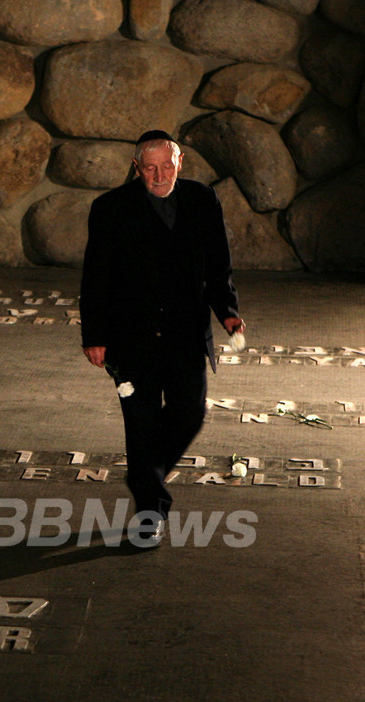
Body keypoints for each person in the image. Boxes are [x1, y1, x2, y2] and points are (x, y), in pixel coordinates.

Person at [79, 129, 245, 547]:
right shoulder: (110, 208)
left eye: (166, 166)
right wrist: (94, 335)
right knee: (141, 424)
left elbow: (218, 265)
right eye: (149, 168)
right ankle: (150, 511)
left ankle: (144, 476)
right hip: (130, 339)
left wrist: (227, 312)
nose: (159, 175)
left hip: (187, 335)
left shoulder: (201, 200)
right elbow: (95, 275)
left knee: (189, 414)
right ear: (137, 168)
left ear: (180, 162)